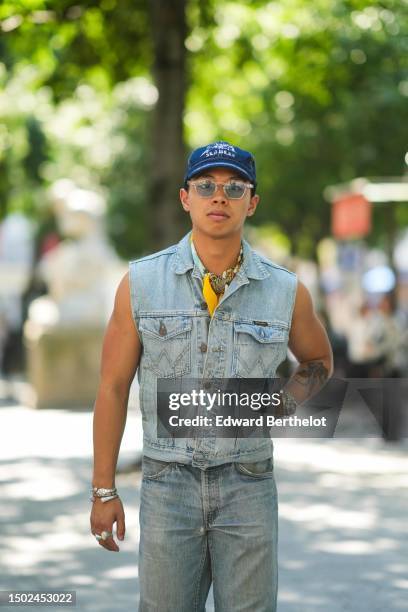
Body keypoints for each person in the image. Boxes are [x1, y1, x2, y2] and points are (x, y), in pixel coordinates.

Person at [90, 141, 333, 611]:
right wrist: (104, 489)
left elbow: (318, 362)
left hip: (249, 485)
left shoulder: (285, 290)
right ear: (186, 198)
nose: (218, 197)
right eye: (206, 186)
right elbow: (113, 387)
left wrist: (278, 403)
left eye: (233, 187)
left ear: (252, 201)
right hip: (168, 486)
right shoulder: (140, 284)